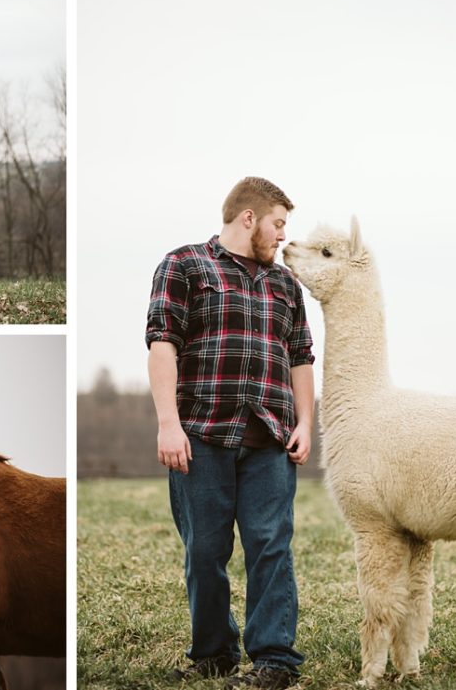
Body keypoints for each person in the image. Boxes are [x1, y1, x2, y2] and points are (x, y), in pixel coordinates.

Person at [145, 177, 315, 689]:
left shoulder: (285, 284)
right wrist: (168, 425)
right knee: (204, 552)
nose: (283, 235)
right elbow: (161, 345)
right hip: (201, 435)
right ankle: (215, 653)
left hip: (271, 439)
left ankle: (274, 659)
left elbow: (302, 357)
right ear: (248, 217)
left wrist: (306, 422)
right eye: (278, 223)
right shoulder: (185, 265)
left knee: (271, 546)